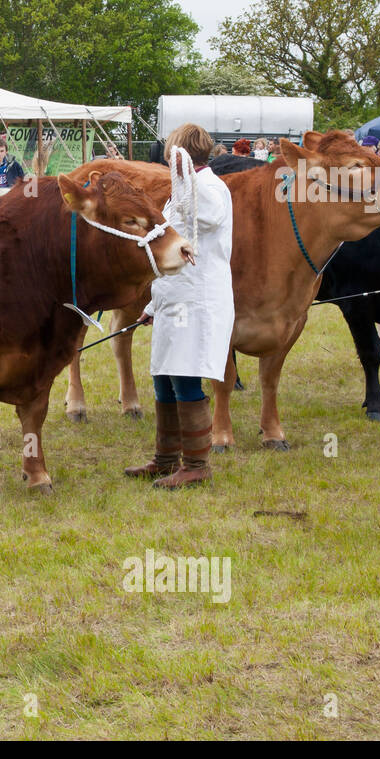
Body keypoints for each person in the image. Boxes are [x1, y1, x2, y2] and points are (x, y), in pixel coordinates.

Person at [124, 122, 233, 488]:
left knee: (185, 377)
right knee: (163, 378)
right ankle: (166, 458)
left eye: (172, 154)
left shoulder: (209, 187)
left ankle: (197, 465)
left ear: (182, 154)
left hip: (198, 301)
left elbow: (210, 217)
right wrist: (153, 306)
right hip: (173, 299)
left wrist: (187, 181)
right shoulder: (183, 190)